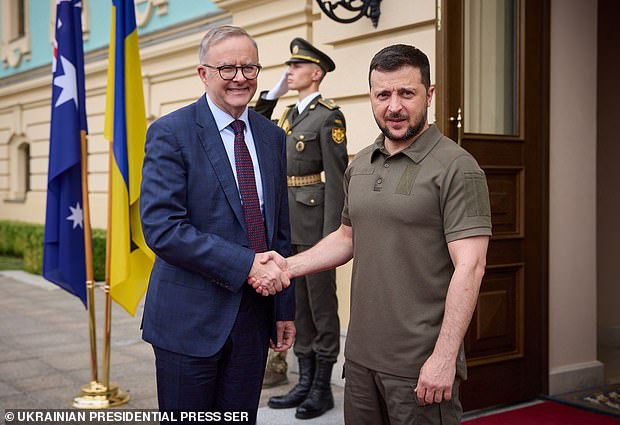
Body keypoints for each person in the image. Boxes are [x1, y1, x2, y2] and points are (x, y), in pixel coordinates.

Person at [254, 44, 491, 424]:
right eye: (383, 94)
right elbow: (346, 237)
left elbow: (472, 266)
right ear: (371, 97)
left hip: (419, 367)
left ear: (429, 95)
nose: (393, 106)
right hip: (361, 361)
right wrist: (286, 266)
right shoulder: (361, 162)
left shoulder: (457, 168)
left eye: (406, 93)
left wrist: (445, 358)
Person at [140, 25, 295, 424]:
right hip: (188, 322)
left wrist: (284, 308)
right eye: (227, 68)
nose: (240, 78)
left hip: (253, 320)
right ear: (203, 73)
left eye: (249, 67)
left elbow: (279, 229)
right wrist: (246, 265)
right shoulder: (170, 133)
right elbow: (162, 227)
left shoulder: (271, 137)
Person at [253, 37, 348, 420]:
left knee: (321, 308)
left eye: (296, 67)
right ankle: (304, 382)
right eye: (288, 67)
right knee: (297, 307)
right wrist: (271, 94)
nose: (288, 72)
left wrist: (331, 237)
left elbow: (339, 180)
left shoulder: (329, 116)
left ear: (316, 72)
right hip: (287, 224)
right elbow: (257, 124)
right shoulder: (289, 114)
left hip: (316, 225)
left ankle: (322, 386)